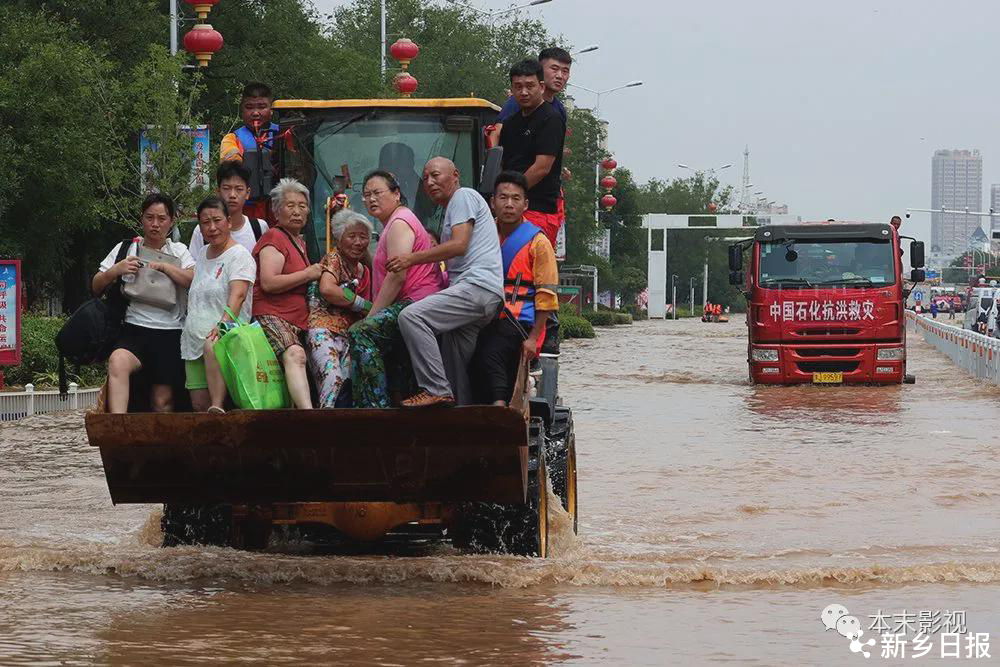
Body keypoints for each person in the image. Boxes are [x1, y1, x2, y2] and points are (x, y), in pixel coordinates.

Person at [386, 157, 503, 408]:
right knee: (453, 361)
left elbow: (458, 246)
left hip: (476, 288)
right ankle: (459, 414)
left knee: (411, 317)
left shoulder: (462, 197)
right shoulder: (452, 208)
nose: (429, 182)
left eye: (436, 175)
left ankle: (434, 388)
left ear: (455, 175)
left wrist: (410, 259)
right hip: (484, 296)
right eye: (425, 178)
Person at [348, 170, 446, 408]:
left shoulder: (400, 222)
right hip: (408, 304)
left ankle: (373, 409)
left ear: (396, 194)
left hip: (415, 301)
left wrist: (371, 317)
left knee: (362, 332)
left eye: (378, 193)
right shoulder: (393, 224)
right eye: (366, 194)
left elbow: (397, 275)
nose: (371, 199)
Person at [92, 193, 195, 413]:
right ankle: (118, 428)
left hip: (170, 332)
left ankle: (161, 446)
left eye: (161, 218)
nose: (155, 224)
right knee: (117, 361)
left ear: (172, 220)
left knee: (161, 401)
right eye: (150, 217)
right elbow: (96, 285)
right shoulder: (126, 248)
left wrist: (166, 267)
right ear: (142, 219)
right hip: (134, 329)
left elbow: (192, 280)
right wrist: (116, 270)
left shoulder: (179, 251)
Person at [471, 172, 558, 406]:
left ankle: (500, 407)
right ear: (492, 202)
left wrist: (533, 339)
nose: (509, 204)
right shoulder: (480, 236)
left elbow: (546, 296)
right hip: (481, 315)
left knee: (491, 352)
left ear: (525, 204)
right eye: (503, 197)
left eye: (516, 198)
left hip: (519, 321)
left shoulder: (538, 243)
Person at [252, 178, 323, 409]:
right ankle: (308, 417)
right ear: (276, 210)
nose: (297, 211)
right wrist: (308, 273)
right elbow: (269, 283)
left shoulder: (299, 242)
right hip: (273, 314)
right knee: (295, 355)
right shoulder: (274, 237)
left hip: (297, 318)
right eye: (290, 205)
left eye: (302, 206)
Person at [180, 195, 256, 412]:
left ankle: (218, 405)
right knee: (198, 407)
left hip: (224, 339)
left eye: (217, 220)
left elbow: (238, 296)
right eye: (205, 222)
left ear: (229, 222)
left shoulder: (239, 256)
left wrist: (222, 326)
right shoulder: (202, 254)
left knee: (221, 409)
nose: (212, 227)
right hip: (194, 342)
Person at [305, 210, 373, 408]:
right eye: (352, 236)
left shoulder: (364, 269)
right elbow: (328, 289)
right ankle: (327, 430)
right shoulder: (334, 258)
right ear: (338, 238)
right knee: (332, 380)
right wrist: (362, 304)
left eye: (363, 237)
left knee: (347, 383)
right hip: (322, 330)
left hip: (348, 334)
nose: (358, 242)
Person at [498, 59, 566, 247]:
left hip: (538, 209)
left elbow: (542, 167)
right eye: (518, 87)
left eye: (530, 86)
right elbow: (503, 163)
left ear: (541, 86)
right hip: (510, 208)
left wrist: (512, 194)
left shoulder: (551, 119)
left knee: (529, 268)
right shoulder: (510, 122)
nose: (524, 92)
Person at [219, 82, 278, 220]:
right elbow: (230, 168)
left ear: (271, 110)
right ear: (242, 111)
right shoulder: (232, 139)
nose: (255, 113)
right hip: (246, 210)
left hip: (279, 208)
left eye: (262, 107)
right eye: (249, 107)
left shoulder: (284, 134)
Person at [190, 161, 269, 256]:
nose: (232, 195)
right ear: (218, 192)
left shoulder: (259, 228)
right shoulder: (203, 230)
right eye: (226, 188)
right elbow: (193, 268)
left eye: (239, 189)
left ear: (247, 193)